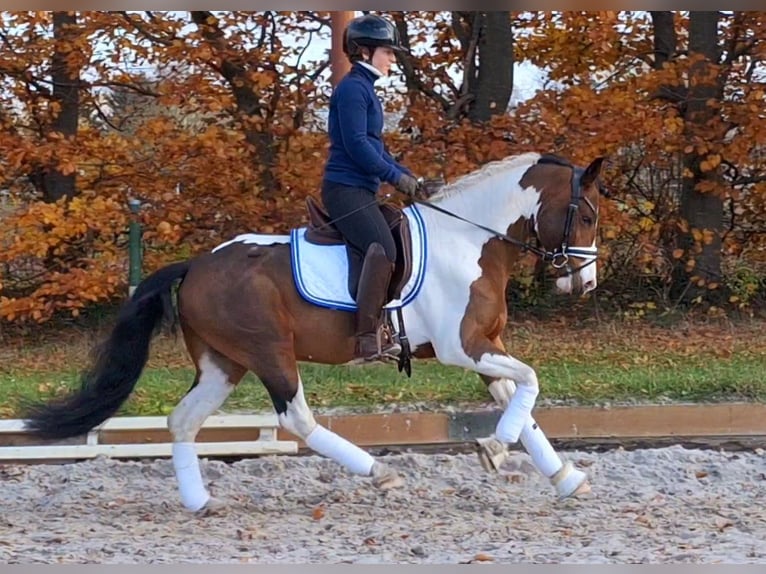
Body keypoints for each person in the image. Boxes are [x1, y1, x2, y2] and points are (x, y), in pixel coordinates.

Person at [321, 13, 422, 363]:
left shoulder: (365, 90)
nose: (393, 58)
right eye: (388, 51)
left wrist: (412, 180)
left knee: (395, 238)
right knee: (382, 249)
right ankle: (366, 338)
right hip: (344, 190)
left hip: (361, 189)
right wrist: (395, 178)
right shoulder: (352, 89)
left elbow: (377, 148)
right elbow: (357, 146)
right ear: (365, 52)